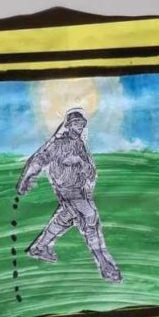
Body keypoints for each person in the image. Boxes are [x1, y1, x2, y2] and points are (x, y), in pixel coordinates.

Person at [17, 108, 122, 283]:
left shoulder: (79, 144)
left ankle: (40, 248)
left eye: (82, 124)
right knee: (90, 217)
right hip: (68, 191)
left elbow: (90, 172)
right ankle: (105, 265)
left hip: (79, 190)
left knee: (64, 219)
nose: (80, 126)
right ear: (69, 125)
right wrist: (26, 179)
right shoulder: (59, 144)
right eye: (76, 123)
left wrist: (81, 164)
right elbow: (39, 159)